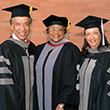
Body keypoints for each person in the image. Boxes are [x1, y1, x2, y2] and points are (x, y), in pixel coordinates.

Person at [35, 14, 81, 110]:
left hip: (59, 105)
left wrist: (61, 103)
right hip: (39, 102)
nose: (56, 32)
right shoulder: (40, 49)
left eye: (60, 29)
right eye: (52, 29)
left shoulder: (70, 50)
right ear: (47, 31)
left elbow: (72, 79)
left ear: (65, 31)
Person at [0, 4, 38, 110]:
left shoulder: (32, 48)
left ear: (30, 25)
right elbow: (5, 87)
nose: (22, 28)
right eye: (18, 24)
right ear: (11, 25)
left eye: (26, 24)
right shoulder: (5, 49)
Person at [75, 15, 110, 110]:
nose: (92, 37)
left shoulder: (107, 57)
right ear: (85, 36)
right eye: (88, 34)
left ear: (101, 34)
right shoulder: (82, 57)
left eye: (95, 33)